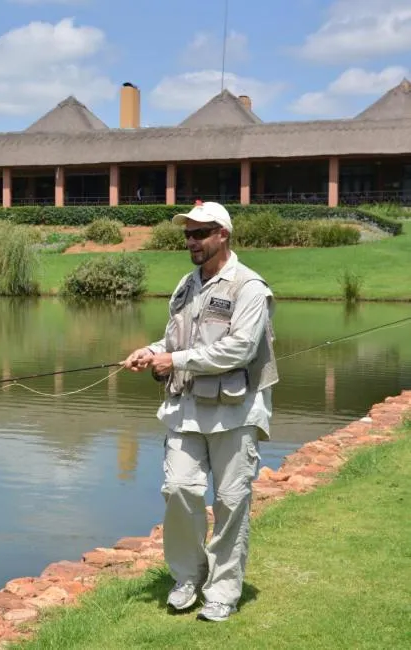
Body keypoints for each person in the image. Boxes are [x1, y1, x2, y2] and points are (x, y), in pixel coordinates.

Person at [123, 200, 278, 622]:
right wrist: (151, 352)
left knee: (231, 501)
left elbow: (241, 348)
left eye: (200, 233)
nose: (191, 241)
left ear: (223, 235)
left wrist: (173, 361)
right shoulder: (185, 286)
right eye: (187, 234)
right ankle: (188, 576)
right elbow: (174, 341)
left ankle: (224, 591)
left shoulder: (249, 287)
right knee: (178, 490)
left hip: (236, 412)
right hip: (185, 409)